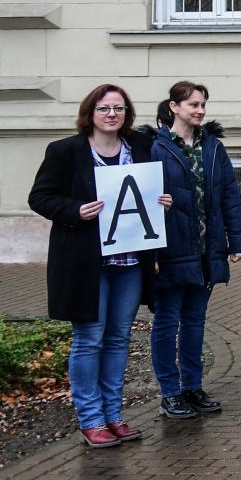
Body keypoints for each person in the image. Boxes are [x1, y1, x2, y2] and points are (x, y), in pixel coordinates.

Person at [28, 85, 169, 448]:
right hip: (86, 263)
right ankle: (90, 420)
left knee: (119, 338)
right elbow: (40, 196)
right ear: (90, 112)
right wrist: (74, 211)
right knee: (89, 339)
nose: (112, 114)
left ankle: (113, 416)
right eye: (104, 108)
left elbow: (143, 194)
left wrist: (161, 201)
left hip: (130, 262)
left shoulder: (138, 148)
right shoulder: (65, 151)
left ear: (127, 113)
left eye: (119, 108)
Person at [145, 81, 241, 420]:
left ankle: (193, 386)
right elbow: (143, 201)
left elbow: (229, 196)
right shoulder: (155, 147)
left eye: (203, 104)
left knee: (195, 322)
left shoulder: (213, 146)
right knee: (166, 322)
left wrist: (237, 240)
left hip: (207, 250)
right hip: (170, 249)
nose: (200, 110)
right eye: (193, 104)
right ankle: (170, 392)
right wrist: (152, 254)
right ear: (174, 107)